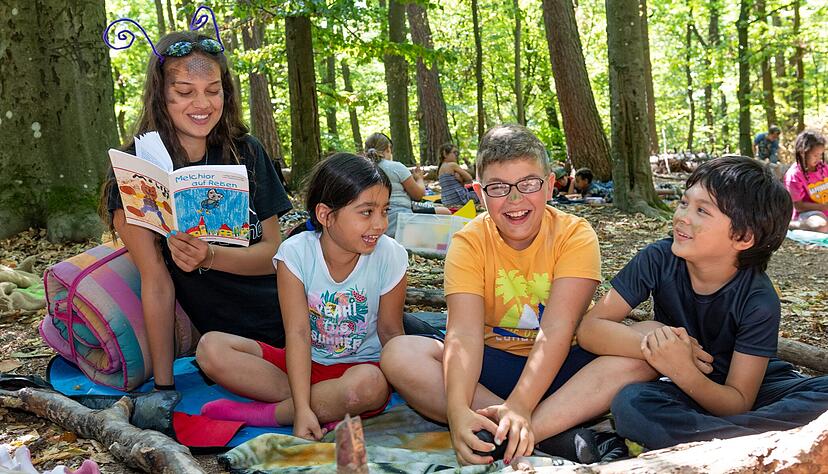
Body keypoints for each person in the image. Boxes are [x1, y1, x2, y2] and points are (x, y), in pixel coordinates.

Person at [381, 124, 643, 466]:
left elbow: (557, 332)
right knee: (399, 353)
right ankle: (540, 432)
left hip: (567, 368)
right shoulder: (469, 241)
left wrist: (520, 403)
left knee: (645, 347)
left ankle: (518, 432)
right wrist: (458, 408)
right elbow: (464, 335)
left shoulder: (575, 235)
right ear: (479, 192)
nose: (515, 199)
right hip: (492, 367)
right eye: (499, 188)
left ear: (550, 185)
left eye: (529, 184)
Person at [576, 156, 828, 450]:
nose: (682, 216)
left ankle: (725, 441)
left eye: (702, 210)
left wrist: (683, 368)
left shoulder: (759, 298)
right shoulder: (658, 259)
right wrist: (666, 355)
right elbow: (590, 329)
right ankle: (760, 441)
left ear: (743, 236)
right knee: (632, 404)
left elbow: (737, 401)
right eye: (684, 203)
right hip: (683, 392)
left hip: (755, 391)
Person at [100, 29, 291, 391]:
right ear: (161, 95)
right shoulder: (132, 172)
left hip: (294, 308)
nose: (202, 104)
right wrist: (164, 386)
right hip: (233, 341)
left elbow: (274, 254)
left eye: (213, 90)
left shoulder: (246, 151)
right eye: (185, 92)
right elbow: (155, 281)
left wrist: (210, 257)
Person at [196, 154, 409, 440]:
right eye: (367, 212)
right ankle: (323, 406)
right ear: (325, 215)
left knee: (369, 387)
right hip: (303, 366)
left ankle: (271, 414)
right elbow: (297, 334)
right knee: (210, 348)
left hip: (362, 369)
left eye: (385, 210)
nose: (380, 224)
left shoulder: (391, 254)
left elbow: (390, 330)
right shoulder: (295, 253)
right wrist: (307, 398)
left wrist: (405, 380)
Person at [364, 133, 451, 238]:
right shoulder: (396, 167)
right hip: (401, 220)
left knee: (441, 210)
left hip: (372, 222)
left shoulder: (363, 169)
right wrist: (419, 178)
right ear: (388, 149)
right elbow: (418, 195)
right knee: (445, 212)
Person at [784, 130, 828, 233]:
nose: (819, 159)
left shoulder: (823, 168)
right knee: (821, 226)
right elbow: (798, 206)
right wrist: (823, 207)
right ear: (803, 153)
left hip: (825, 209)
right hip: (809, 214)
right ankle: (793, 225)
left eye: (820, 155)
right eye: (815, 155)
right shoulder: (794, 175)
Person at [438, 143, 479, 207]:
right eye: (454, 152)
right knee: (480, 191)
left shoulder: (440, 169)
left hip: (447, 201)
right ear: (445, 154)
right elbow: (470, 178)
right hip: (459, 200)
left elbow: (453, 186)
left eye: (457, 153)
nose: (456, 155)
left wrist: (460, 181)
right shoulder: (452, 165)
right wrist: (462, 180)